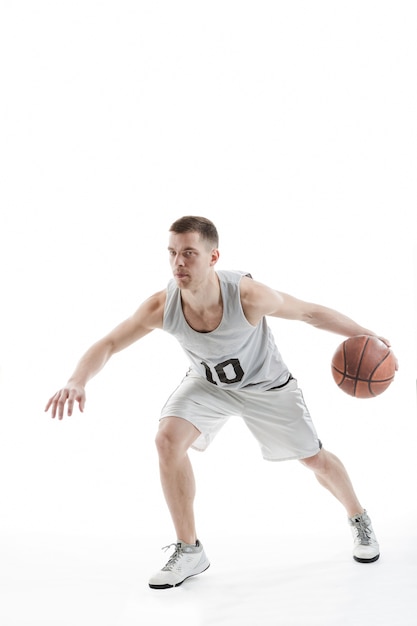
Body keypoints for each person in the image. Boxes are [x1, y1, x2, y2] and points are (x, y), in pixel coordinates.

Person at [45, 216, 394, 589]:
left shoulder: (248, 295)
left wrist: (367, 335)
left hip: (267, 388)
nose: (179, 262)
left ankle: (358, 518)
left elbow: (309, 313)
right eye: (173, 253)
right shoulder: (162, 306)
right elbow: (109, 343)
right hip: (208, 385)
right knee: (167, 440)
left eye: (189, 254)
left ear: (213, 257)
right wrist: (76, 380)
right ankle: (190, 549)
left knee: (313, 459)